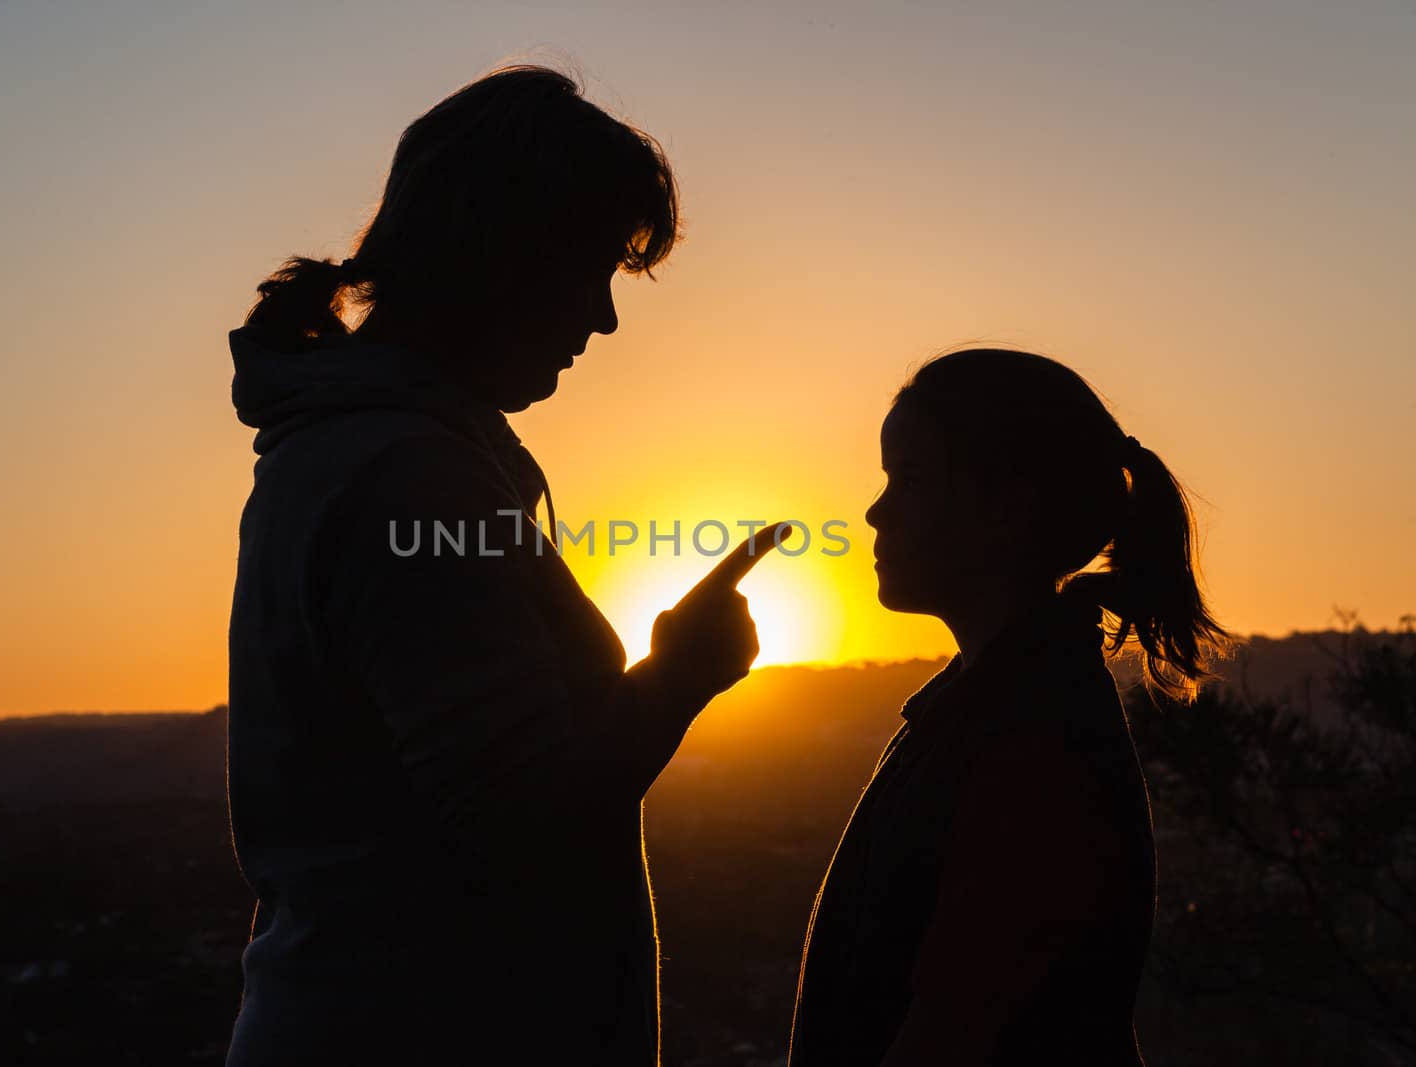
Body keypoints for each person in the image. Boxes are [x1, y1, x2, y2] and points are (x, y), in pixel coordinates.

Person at [223, 65, 785, 1066]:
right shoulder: (407, 472)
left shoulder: (368, 451)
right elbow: (525, 817)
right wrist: (679, 674)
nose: (603, 319)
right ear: (496, 252)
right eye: (590, 268)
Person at [788, 348, 1233, 1066]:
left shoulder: (1034, 748)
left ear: (1007, 510)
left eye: (909, 479)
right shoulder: (987, 708)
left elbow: (952, 1034)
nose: (875, 510)